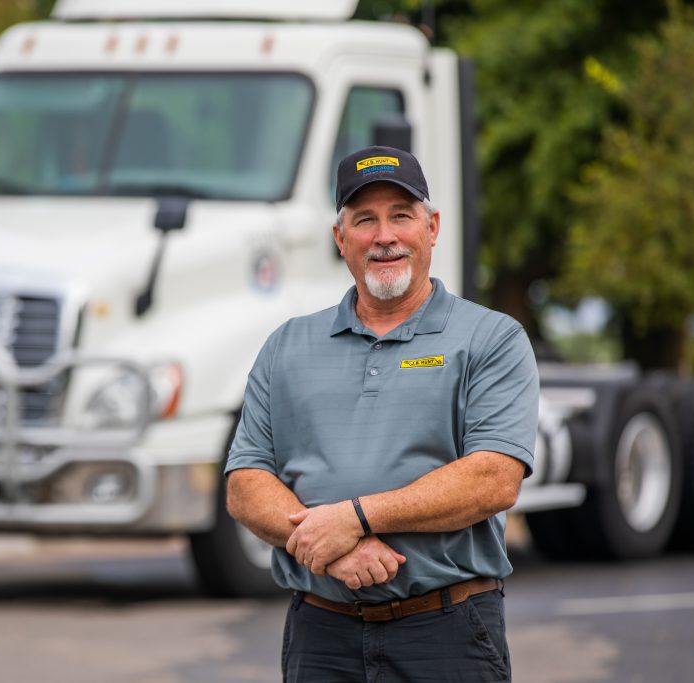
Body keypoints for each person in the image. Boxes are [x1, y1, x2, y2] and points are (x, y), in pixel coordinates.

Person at [224, 145, 539, 682]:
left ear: (432, 227)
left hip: (446, 633)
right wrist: (333, 551)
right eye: (365, 219)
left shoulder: (491, 338)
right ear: (340, 238)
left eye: (401, 215)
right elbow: (246, 484)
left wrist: (355, 518)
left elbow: (493, 479)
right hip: (320, 635)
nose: (384, 236)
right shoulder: (288, 346)